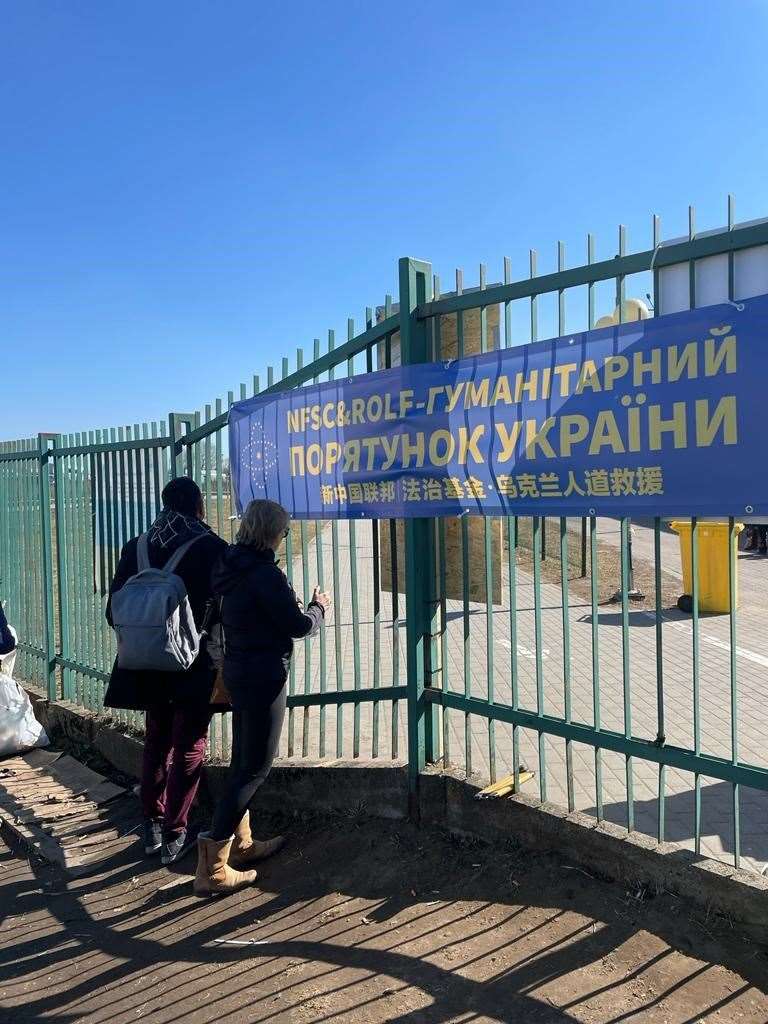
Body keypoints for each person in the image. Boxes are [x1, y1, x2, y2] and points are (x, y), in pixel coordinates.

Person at [193, 499, 331, 897]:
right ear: (271, 533)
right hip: (263, 677)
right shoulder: (264, 574)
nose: (284, 538)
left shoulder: (231, 563)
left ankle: (242, 843)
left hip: (238, 670)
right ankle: (214, 870)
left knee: (242, 762)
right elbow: (297, 625)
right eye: (284, 532)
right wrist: (318, 608)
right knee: (254, 769)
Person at [104, 477, 228, 865]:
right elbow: (225, 605)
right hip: (192, 662)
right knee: (190, 742)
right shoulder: (211, 547)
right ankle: (177, 831)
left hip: (145, 661)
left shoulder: (136, 547)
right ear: (198, 506)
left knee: (157, 738)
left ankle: (152, 825)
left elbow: (114, 610)